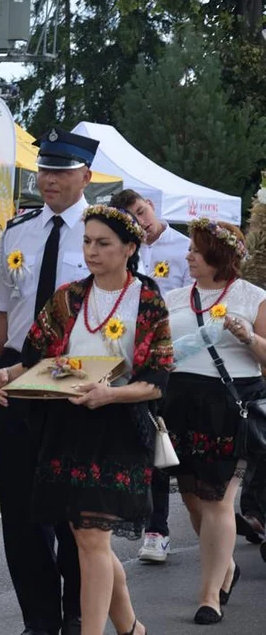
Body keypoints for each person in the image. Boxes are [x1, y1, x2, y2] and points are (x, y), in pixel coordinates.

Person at [0, 205, 172, 635]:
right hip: (66, 429)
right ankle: (129, 627)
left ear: (130, 248)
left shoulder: (146, 301)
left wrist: (111, 393)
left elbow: (159, 380)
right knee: (87, 538)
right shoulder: (70, 297)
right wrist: (6, 373)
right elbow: (38, 355)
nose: (91, 250)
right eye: (87, 241)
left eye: (103, 243)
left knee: (92, 539)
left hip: (119, 429)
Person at [0, 127, 98, 635]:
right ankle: (40, 617)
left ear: (85, 176)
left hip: (76, 371)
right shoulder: (18, 231)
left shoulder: (101, 231)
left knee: (73, 507)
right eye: (45, 170)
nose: (49, 180)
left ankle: (77, 613)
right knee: (22, 509)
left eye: (61, 171)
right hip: (16, 371)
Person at [160, 218, 266, 624]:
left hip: (231, 402)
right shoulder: (172, 298)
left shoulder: (252, 296)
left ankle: (209, 595)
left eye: (196, 249)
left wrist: (247, 337)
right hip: (181, 402)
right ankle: (226, 567)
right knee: (191, 495)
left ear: (218, 255)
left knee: (218, 497)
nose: (188, 255)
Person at [109, 189, 193, 564]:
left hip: (179, 356)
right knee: (146, 442)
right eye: (133, 217)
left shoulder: (184, 247)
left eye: (142, 211)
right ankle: (153, 525)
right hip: (135, 356)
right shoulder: (125, 254)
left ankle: (178, 523)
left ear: (152, 207)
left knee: (171, 444)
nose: (141, 221)